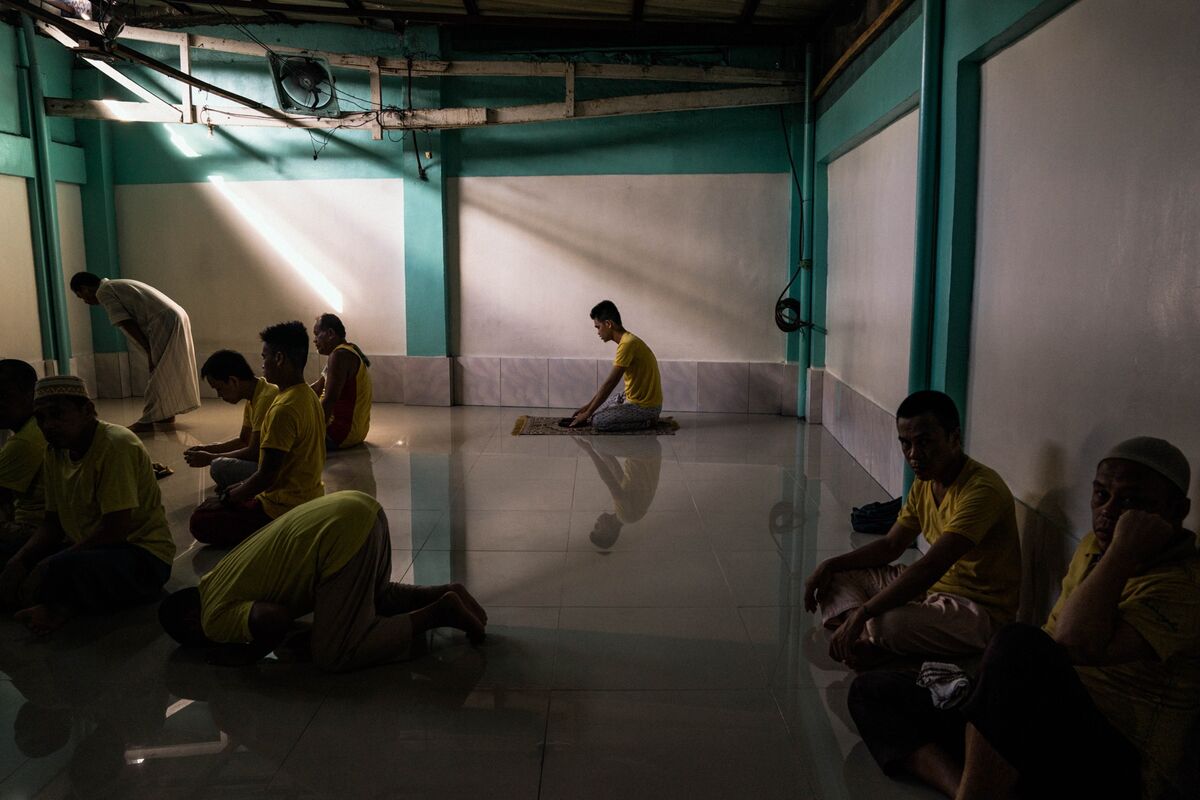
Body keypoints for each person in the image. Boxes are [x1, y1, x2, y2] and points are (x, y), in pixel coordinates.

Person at [848, 437, 1200, 800]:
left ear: (1177, 510)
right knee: (872, 691)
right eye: (1101, 495)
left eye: (1131, 502)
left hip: (1113, 764)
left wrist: (1123, 553)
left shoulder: (1184, 586)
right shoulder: (1095, 548)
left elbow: (1072, 645)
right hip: (1042, 732)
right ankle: (967, 789)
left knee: (1018, 643)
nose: (1108, 512)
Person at [804, 390, 1020, 668]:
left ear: (954, 438)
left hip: (977, 611)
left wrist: (864, 612)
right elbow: (891, 545)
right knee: (837, 578)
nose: (913, 455)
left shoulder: (982, 490)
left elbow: (931, 566)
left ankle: (872, 636)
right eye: (905, 444)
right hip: (932, 591)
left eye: (925, 442)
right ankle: (870, 640)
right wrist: (829, 565)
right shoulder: (926, 482)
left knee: (886, 624)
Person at [159, 491, 488, 672]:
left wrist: (251, 654)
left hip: (340, 537)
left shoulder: (211, 617)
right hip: (358, 509)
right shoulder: (215, 580)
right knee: (374, 597)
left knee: (334, 652)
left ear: (192, 622)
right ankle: (443, 592)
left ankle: (439, 612)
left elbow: (274, 618)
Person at [0, 376, 175, 634]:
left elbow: (115, 530)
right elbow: (53, 523)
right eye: (41, 419)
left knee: (63, 568)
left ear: (88, 410)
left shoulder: (116, 444)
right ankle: (47, 597)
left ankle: (58, 608)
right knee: (12, 553)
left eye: (57, 414)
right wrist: (21, 560)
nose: (48, 425)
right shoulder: (55, 451)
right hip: (85, 545)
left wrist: (46, 564)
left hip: (138, 556)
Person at [188, 322, 325, 547]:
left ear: (279, 358)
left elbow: (266, 475)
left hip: (282, 510)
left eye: (265, 358)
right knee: (231, 493)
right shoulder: (308, 396)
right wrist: (239, 489)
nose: (262, 365)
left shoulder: (283, 408)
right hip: (308, 497)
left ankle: (278, 533)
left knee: (200, 521)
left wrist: (227, 499)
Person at [69, 272, 200, 433]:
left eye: (81, 296)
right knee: (167, 369)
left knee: (157, 370)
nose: (85, 301)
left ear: (85, 289)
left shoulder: (103, 291)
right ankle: (165, 413)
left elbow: (125, 322)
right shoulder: (115, 285)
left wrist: (148, 349)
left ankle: (147, 421)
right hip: (175, 315)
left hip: (163, 320)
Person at [183, 350, 279, 491]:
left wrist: (210, 458)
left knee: (218, 466)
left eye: (219, 388)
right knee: (218, 455)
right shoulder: (254, 397)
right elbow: (243, 441)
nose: (219, 395)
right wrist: (206, 449)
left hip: (277, 471)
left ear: (233, 381)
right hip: (266, 462)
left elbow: (254, 452)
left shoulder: (265, 398)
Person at [570, 300, 663, 432]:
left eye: (598, 327)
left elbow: (610, 383)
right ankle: (635, 414)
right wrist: (588, 407)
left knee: (598, 421)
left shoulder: (627, 344)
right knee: (596, 412)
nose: (598, 332)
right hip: (629, 397)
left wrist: (588, 413)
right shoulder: (627, 340)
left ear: (608, 324)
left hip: (645, 406)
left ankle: (648, 421)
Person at [573, 436, 662, 549]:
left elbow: (614, 468)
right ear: (608, 532)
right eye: (597, 527)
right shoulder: (625, 516)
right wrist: (590, 451)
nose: (596, 521)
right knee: (597, 442)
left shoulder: (627, 514)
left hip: (647, 450)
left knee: (599, 445)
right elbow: (611, 483)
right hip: (644, 453)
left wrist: (597, 449)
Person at [0, 360, 46, 550]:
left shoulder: (24, 442)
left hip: (34, 529)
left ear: (30, 395)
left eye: (5, 397)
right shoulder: (37, 427)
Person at [310, 313, 372, 449]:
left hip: (339, 434)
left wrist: (314, 435)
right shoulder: (344, 351)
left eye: (316, 334)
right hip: (357, 433)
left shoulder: (339, 356)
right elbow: (317, 387)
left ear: (331, 333)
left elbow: (329, 400)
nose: (314, 340)